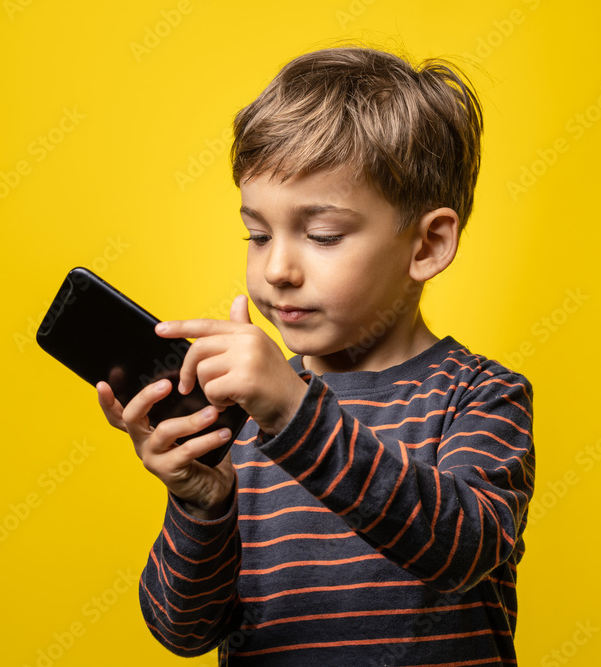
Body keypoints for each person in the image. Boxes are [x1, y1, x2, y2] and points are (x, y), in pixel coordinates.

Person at [96, 45, 535, 666]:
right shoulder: (243, 415)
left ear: (429, 244)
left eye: (321, 235)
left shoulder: (480, 395)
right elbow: (183, 632)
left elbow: (462, 547)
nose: (276, 268)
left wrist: (295, 414)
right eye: (258, 234)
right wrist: (202, 502)